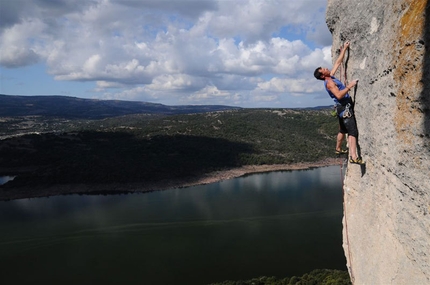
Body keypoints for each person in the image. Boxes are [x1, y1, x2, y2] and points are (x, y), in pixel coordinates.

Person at [314, 41, 364, 164]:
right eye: (323, 69)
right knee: (352, 132)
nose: (326, 68)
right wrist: (349, 86)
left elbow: (338, 62)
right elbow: (339, 95)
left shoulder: (330, 76)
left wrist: (345, 49)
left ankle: (337, 148)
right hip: (345, 107)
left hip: (341, 108)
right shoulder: (330, 83)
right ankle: (353, 156)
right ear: (322, 76)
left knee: (342, 130)